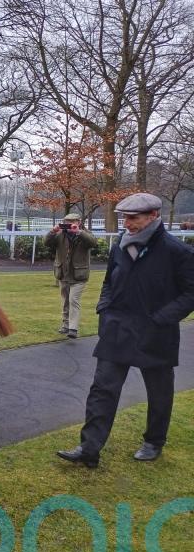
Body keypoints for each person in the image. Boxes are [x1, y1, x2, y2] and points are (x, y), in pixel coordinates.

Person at [57, 193, 194, 468]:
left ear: (153, 216)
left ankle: (154, 441)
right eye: (125, 218)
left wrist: (161, 318)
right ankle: (89, 449)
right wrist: (104, 307)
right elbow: (109, 280)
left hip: (156, 332)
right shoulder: (120, 244)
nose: (127, 224)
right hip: (118, 328)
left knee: (159, 392)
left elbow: (191, 293)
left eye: (134, 218)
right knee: (102, 389)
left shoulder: (176, 251)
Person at [44, 212, 98, 339]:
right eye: (66, 222)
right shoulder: (60, 235)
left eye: (71, 222)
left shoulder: (85, 234)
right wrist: (53, 231)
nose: (68, 225)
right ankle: (65, 325)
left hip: (79, 275)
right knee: (65, 301)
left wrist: (78, 232)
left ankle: (73, 328)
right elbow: (46, 242)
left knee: (73, 300)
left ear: (78, 222)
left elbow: (93, 243)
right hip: (63, 273)